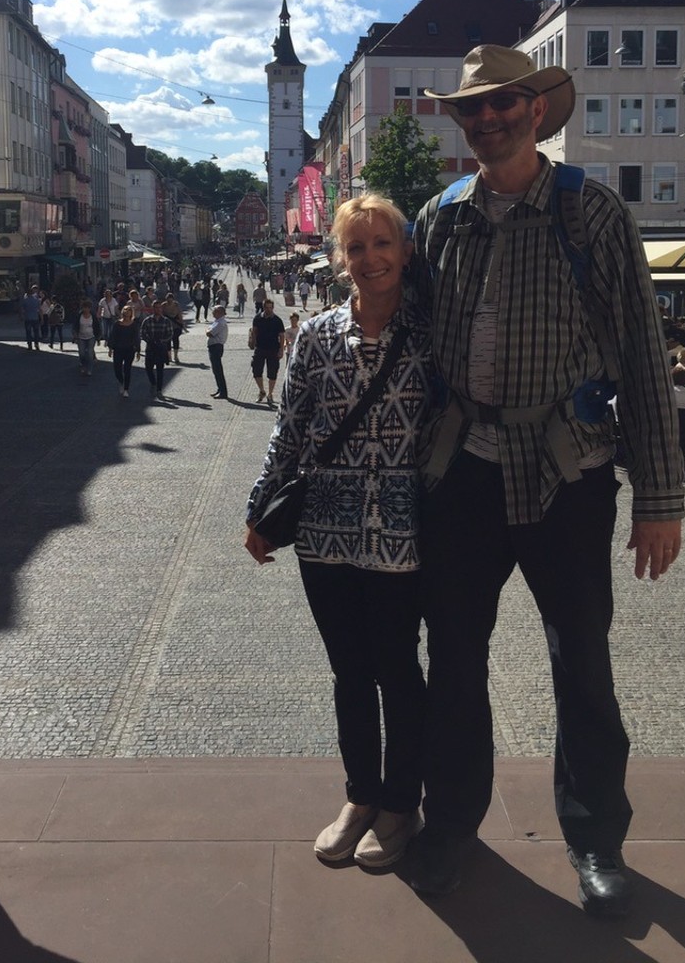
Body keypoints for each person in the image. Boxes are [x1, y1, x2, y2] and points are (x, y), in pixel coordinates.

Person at [408, 45, 684, 914]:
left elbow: (641, 349)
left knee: (583, 665)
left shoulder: (591, 212)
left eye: (503, 104)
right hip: (463, 473)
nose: (486, 119)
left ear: (536, 108)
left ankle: (597, 840)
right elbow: (413, 350)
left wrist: (660, 497)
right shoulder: (441, 215)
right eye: (472, 109)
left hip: (567, 474)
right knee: (452, 661)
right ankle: (451, 820)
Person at [245, 195, 434, 869]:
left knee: (396, 668)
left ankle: (401, 801)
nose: (371, 258)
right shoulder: (319, 335)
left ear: (405, 251)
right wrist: (260, 508)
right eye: (356, 247)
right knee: (348, 670)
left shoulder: (432, 333)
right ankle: (360, 795)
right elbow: (290, 430)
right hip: (324, 529)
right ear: (339, 258)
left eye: (382, 243)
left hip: (401, 528)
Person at [249, 299, 285, 407]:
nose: (269, 310)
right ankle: (262, 391)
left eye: (271, 308)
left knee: (272, 372)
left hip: (273, 349)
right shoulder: (258, 318)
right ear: (264, 307)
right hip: (260, 348)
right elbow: (254, 331)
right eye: (267, 307)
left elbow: (282, 336)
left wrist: (281, 350)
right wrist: (252, 341)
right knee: (256, 370)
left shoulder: (277, 320)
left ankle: (270, 394)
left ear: (273, 308)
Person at [140, 300, 174, 399]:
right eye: (155, 307)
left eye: (159, 307)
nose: (157, 309)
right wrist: (149, 340)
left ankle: (159, 390)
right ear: (152, 308)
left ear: (161, 309)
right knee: (148, 368)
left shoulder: (166, 321)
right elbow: (142, 332)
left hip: (161, 348)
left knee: (160, 370)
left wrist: (162, 341)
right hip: (150, 347)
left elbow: (170, 334)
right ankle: (153, 383)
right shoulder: (147, 320)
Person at [109, 304, 139, 398]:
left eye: (129, 310)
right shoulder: (117, 324)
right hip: (118, 349)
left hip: (129, 349)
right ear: (123, 312)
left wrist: (138, 350)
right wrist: (110, 348)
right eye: (125, 310)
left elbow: (136, 338)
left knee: (127, 369)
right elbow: (112, 336)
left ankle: (126, 389)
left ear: (131, 313)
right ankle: (121, 381)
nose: (127, 312)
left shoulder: (133, 325)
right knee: (117, 368)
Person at [73, 300, 101, 377]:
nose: (85, 310)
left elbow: (97, 327)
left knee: (89, 353)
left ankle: (89, 369)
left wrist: (98, 338)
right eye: (84, 308)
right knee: (81, 353)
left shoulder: (93, 317)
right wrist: (75, 336)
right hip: (81, 337)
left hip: (91, 336)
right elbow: (75, 326)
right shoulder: (79, 316)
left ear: (89, 308)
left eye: (87, 308)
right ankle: (83, 365)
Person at [206, 305, 229, 399]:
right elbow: (209, 330)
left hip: (216, 347)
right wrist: (208, 329)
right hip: (213, 347)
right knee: (215, 370)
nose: (213, 313)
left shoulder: (221, 323)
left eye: (214, 311)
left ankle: (223, 392)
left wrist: (207, 330)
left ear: (220, 312)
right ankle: (219, 389)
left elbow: (210, 333)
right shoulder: (217, 321)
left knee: (218, 370)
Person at [161, 292, 184, 363]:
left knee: (175, 340)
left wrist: (181, 323)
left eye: (171, 300)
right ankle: (169, 356)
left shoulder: (176, 305)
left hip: (176, 325)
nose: (169, 301)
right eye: (168, 300)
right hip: (166, 325)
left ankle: (176, 356)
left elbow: (180, 314)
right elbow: (161, 314)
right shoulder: (163, 305)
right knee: (167, 341)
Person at [21, 285, 42, 350]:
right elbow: (39, 310)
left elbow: (22, 310)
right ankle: (36, 344)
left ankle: (29, 345)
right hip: (35, 318)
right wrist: (42, 318)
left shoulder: (25, 300)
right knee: (36, 332)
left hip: (27, 318)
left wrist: (22, 316)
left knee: (28, 332)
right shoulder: (36, 300)